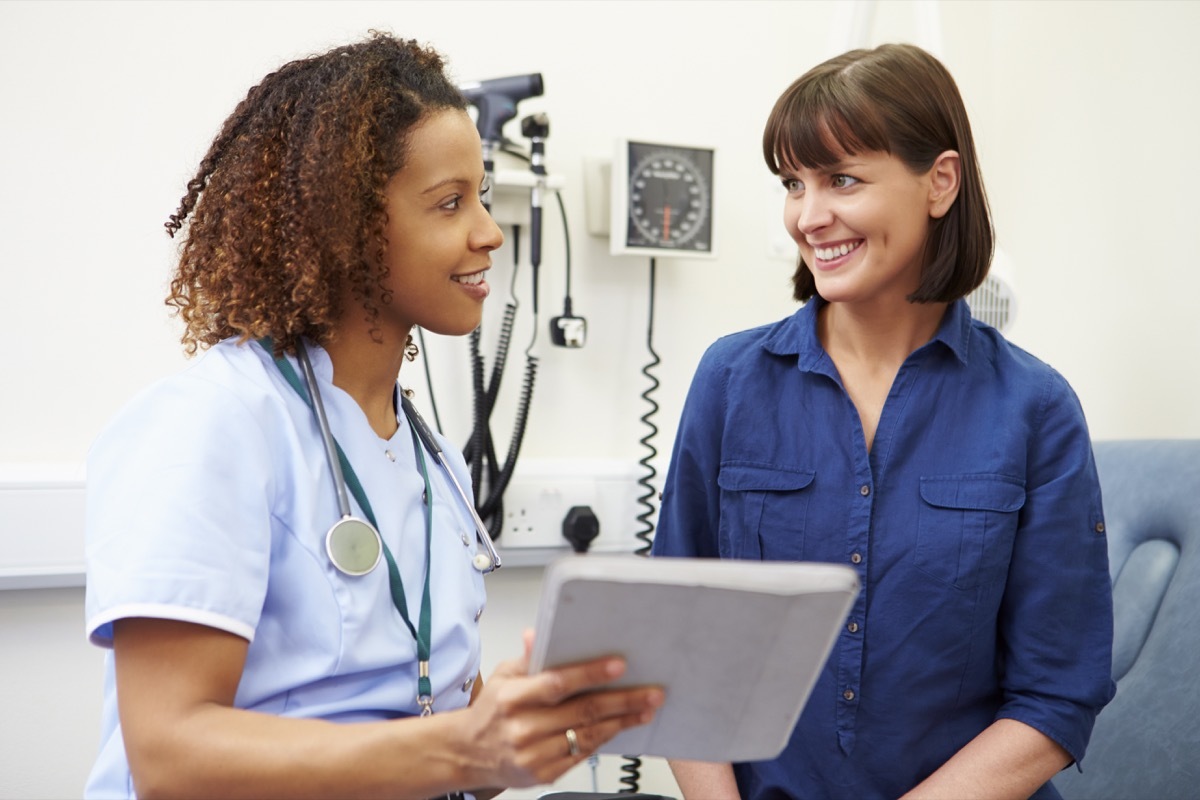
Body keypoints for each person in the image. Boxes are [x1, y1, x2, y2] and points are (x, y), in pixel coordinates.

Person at [83, 32, 662, 799]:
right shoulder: (211, 424)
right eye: (450, 203)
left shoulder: (423, 453)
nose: (488, 231)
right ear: (344, 227)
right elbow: (172, 754)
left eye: (481, 196)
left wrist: (525, 720)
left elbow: (436, 720)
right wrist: (463, 750)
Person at [651, 43, 1114, 800]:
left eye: (842, 180)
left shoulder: (1035, 409)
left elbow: (1057, 697)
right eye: (792, 184)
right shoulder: (729, 384)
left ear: (940, 182)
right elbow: (679, 653)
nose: (809, 215)